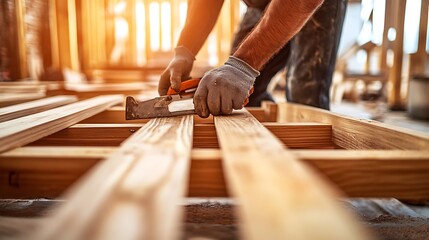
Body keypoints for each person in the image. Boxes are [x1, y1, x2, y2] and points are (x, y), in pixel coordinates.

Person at [158, 0, 347, 118]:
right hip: (260, 4)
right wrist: (185, 50)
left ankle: (309, 175)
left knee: (304, 99)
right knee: (237, 93)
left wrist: (242, 66)